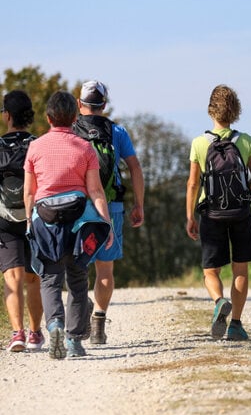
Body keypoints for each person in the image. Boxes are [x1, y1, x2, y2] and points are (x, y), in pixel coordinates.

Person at [24, 91, 112, 359]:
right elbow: (96, 191)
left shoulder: (35, 147)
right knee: (77, 280)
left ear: (49, 118)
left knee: (50, 279)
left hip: (45, 222)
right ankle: (74, 340)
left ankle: (54, 325)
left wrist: (30, 222)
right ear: (74, 118)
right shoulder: (85, 147)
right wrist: (105, 224)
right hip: (78, 224)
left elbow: (29, 193)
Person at [185, 84, 251, 341]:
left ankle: (219, 301)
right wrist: (241, 192)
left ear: (211, 110)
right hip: (241, 213)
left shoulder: (199, 142)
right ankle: (236, 325)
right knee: (241, 270)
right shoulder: (246, 140)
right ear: (235, 110)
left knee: (211, 271)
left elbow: (193, 183)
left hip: (211, 213)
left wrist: (189, 216)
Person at [74, 80, 145, 345]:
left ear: (80, 104)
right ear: (104, 105)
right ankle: (98, 324)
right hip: (111, 206)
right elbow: (135, 168)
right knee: (105, 270)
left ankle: (78, 315)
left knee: (77, 266)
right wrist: (139, 204)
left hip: (77, 207)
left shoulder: (70, 132)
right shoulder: (118, 132)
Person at [0, 91, 44, 352]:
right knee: (33, 279)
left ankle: (17, 334)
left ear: (7, 115)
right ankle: (35, 334)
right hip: (35, 218)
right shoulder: (38, 145)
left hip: (4, 220)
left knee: (12, 278)